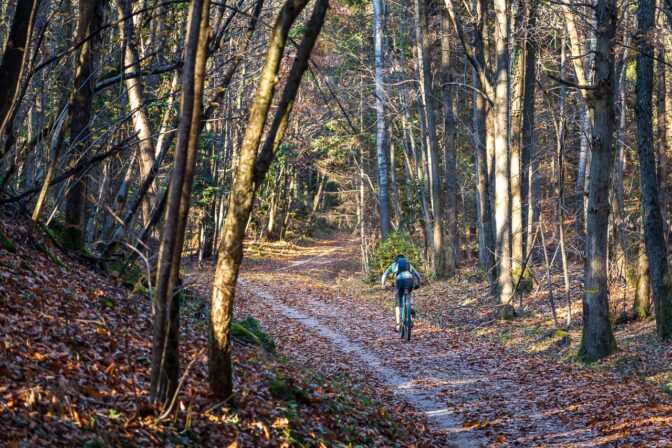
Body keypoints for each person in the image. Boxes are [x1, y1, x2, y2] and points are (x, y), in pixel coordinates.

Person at [381, 254, 421, 332]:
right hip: (409, 281)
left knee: (398, 304)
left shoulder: (393, 265)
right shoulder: (408, 264)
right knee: (410, 292)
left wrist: (383, 284)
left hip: (400, 282)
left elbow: (385, 275)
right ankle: (411, 307)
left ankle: (398, 325)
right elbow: (418, 276)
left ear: (396, 259)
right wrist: (418, 284)